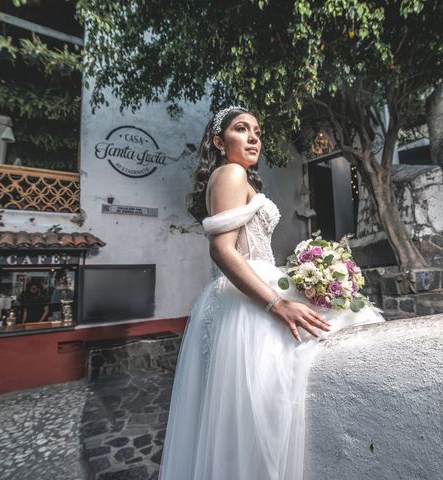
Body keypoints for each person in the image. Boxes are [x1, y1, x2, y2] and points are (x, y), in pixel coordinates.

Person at [158, 106, 384, 480]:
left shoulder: (235, 177)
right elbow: (223, 250)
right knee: (263, 414)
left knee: (247, 419)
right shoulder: (231, 173)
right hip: (248, 301)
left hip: (243, 291)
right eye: (241, 129)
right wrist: (277, 303)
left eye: (257, 131)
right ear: (219, 141)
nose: (253, 138)